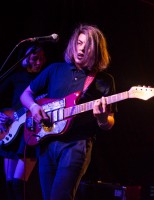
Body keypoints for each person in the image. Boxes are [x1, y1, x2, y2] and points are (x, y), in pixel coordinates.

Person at [20, 24, 116, 200]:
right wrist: (34, 107)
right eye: (79, 43)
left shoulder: (104, 80)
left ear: (97, 51)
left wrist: (102, 119)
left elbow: (109, 123)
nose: (81, 49)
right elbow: (26, 95)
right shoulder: (55, 69)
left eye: (88, 47)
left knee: (60, 197)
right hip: (48, 141)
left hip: (76, 144)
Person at [0, 44, 47, 200]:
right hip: (11, 130)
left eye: (41, 59)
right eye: (35, 58)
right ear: (26, 58)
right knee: (8, 186)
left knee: (18, 185)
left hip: (29, 133)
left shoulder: (44, 79)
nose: (39, 62)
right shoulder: (16, 76)